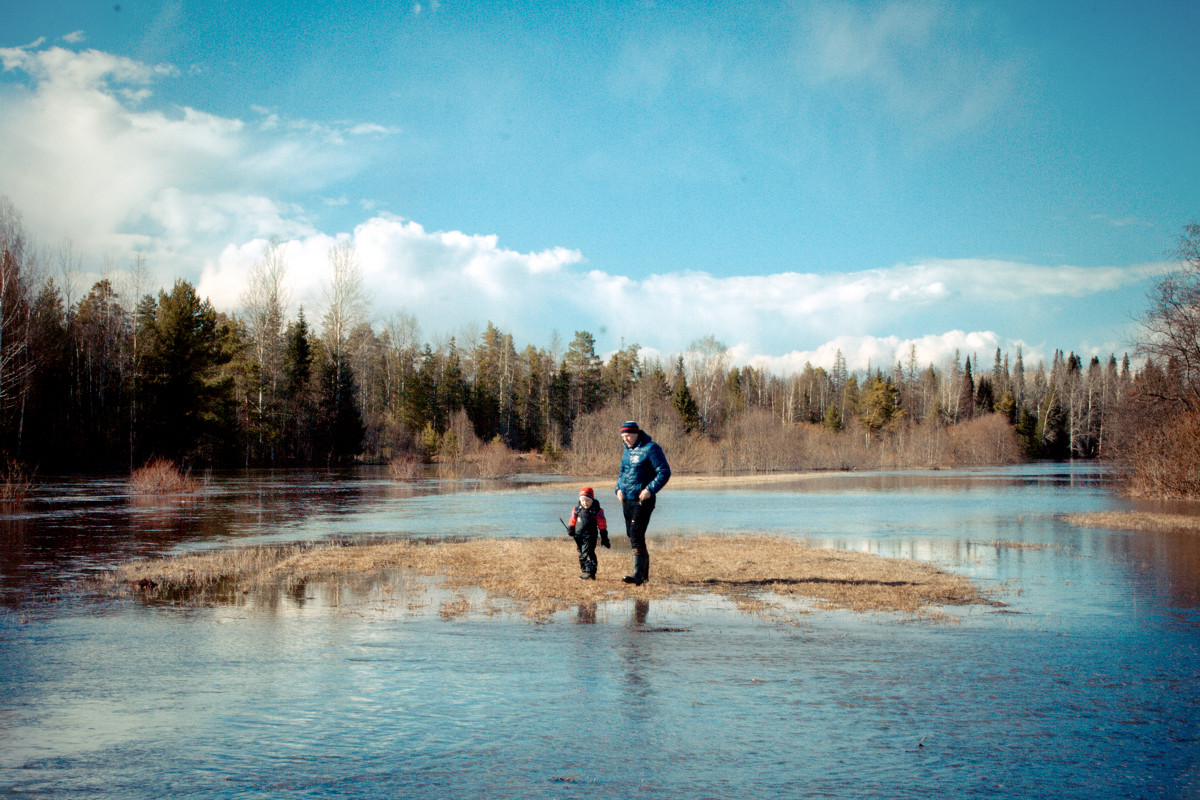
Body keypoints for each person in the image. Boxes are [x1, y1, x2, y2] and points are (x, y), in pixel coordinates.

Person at [614, 420, 670, 585]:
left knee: (636, 534)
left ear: (636, 433)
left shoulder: (651, 448)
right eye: (623, 437)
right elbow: (622, 472)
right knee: (632, 534)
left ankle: (638, 575)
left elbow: (664, 472)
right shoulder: (627, 451)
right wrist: (618, 488)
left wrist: (649, 489)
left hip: (643, 500)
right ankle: (643, 576)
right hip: (627, 499)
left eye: (628, 436)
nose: (626, 439)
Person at [567, 486, 609, 580]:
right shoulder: (577, 509)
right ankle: (585, 570)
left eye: (587, 500)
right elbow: (572, 520)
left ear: (592, 500)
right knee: (581, 553)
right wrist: (571, 528)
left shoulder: (597, 511)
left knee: (588, 553)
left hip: (590, 536)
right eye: (583, 500)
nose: (585, 503)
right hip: (578, 535)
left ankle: (590, 572)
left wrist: (604, 537)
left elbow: (602, 524)